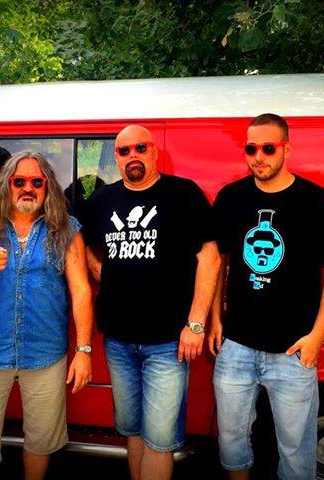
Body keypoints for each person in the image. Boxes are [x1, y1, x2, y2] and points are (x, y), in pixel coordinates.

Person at [209, 113, 324, 480]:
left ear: (287, 148)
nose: (259, 157)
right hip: (236, 347)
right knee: (231, 443)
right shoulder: (231, 198)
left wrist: (317, 336)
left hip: (293, 350)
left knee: (296, 451)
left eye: (268, 148)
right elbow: (218, 263)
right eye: (251, 148)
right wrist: (216, 319)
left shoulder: (316, 201)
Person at [82, 125, 220, 480]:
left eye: (140, 148)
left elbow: (210, 257)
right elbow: (84, 247)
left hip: (168, 343)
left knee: (159, 439)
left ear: (154, 152)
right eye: (124, 150)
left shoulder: (183, 194)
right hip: (118, 340)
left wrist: (196, 323)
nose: (133, 156)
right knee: (131, 430)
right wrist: (102, 272)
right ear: (116, 158)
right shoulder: (102, 201)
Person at [0, 151, 93, 480]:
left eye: (37, 182)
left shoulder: (66, 228)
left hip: (45, 355)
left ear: (47, 187)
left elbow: (81, 290)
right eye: (20, 181)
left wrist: (83, 350)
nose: (28, 188)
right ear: (7, 184)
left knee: (40, 443)